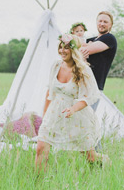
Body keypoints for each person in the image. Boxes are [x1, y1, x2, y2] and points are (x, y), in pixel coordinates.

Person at [35, 34, 105, 170]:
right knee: (41, 148)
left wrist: (73, 109)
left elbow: (89, 97)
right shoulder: (56, 66)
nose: (62, 50)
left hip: (77, 116)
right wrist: (44, 117)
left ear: (74, 50)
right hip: (54, 113)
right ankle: (38, 183)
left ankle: (106, 162)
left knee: (89, 156)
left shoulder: (83, 70)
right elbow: (50, 92)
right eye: (60, 47)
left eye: (66, 47)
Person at [80, 11, 117, 110]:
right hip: (81, 83)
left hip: (94, 86)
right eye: (100, 21)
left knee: (88, 118)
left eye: (105, 22)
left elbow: (84, 50)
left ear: (111, 25)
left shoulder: (109, 38)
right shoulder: (89, 40)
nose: (102, 24)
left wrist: (85, 47)